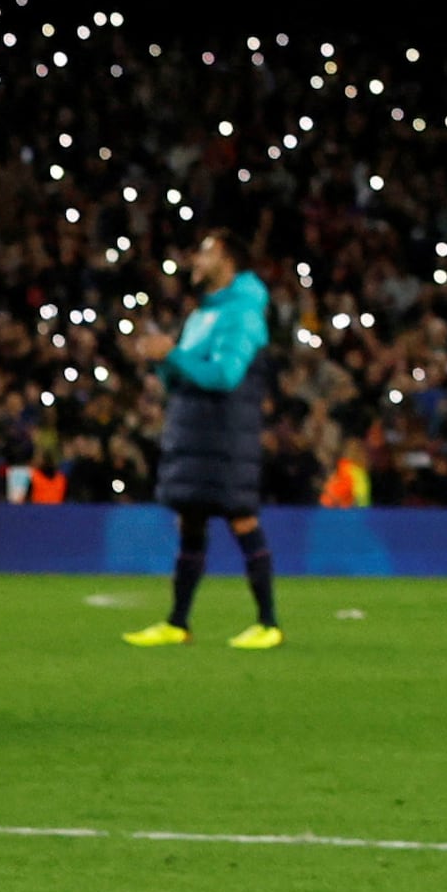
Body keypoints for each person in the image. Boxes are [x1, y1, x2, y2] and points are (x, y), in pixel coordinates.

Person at [125, 232, 282, 652]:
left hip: (226, 432)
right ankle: (178, 622)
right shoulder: (201, 314)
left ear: (228, 259)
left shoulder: (244, 311)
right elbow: (182, 374)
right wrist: (163, 359)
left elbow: (226, 375)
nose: (197, 257)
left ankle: (268, 622)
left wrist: (173, 354)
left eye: (207, 250)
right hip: (194, 432)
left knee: (240, 518)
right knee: (190, 522)